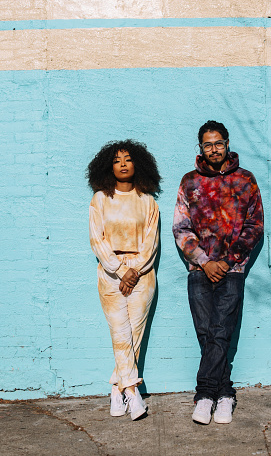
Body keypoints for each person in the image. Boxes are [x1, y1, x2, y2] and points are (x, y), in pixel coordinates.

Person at [173, 120, 264, 425]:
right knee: (206, 333)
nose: (213, 149)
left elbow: (254, 226)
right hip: (200, 269)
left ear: (227, 143)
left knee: (221, 332)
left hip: (233, 270)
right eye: (207, 144)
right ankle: (225, 394)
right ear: (201, 147)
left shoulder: (245, 180)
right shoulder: (189, 182)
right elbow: (181, 227)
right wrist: (204, 260)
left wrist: (228, 261)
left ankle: (204, 395)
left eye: (218, 143)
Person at [87, 140, 161, 421]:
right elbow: (97, 239)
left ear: (137, 164)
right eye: (117, 160)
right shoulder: (100, 199)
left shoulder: (148, 202)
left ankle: (118, 391)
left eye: (128, 159)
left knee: (134, 335)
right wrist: (119, 270)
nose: (122, 163)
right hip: (109, 273)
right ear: (109, 166)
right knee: (120, 334)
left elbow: (151, 242)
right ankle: (131, 391)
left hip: (143, 275)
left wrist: (135, 271)